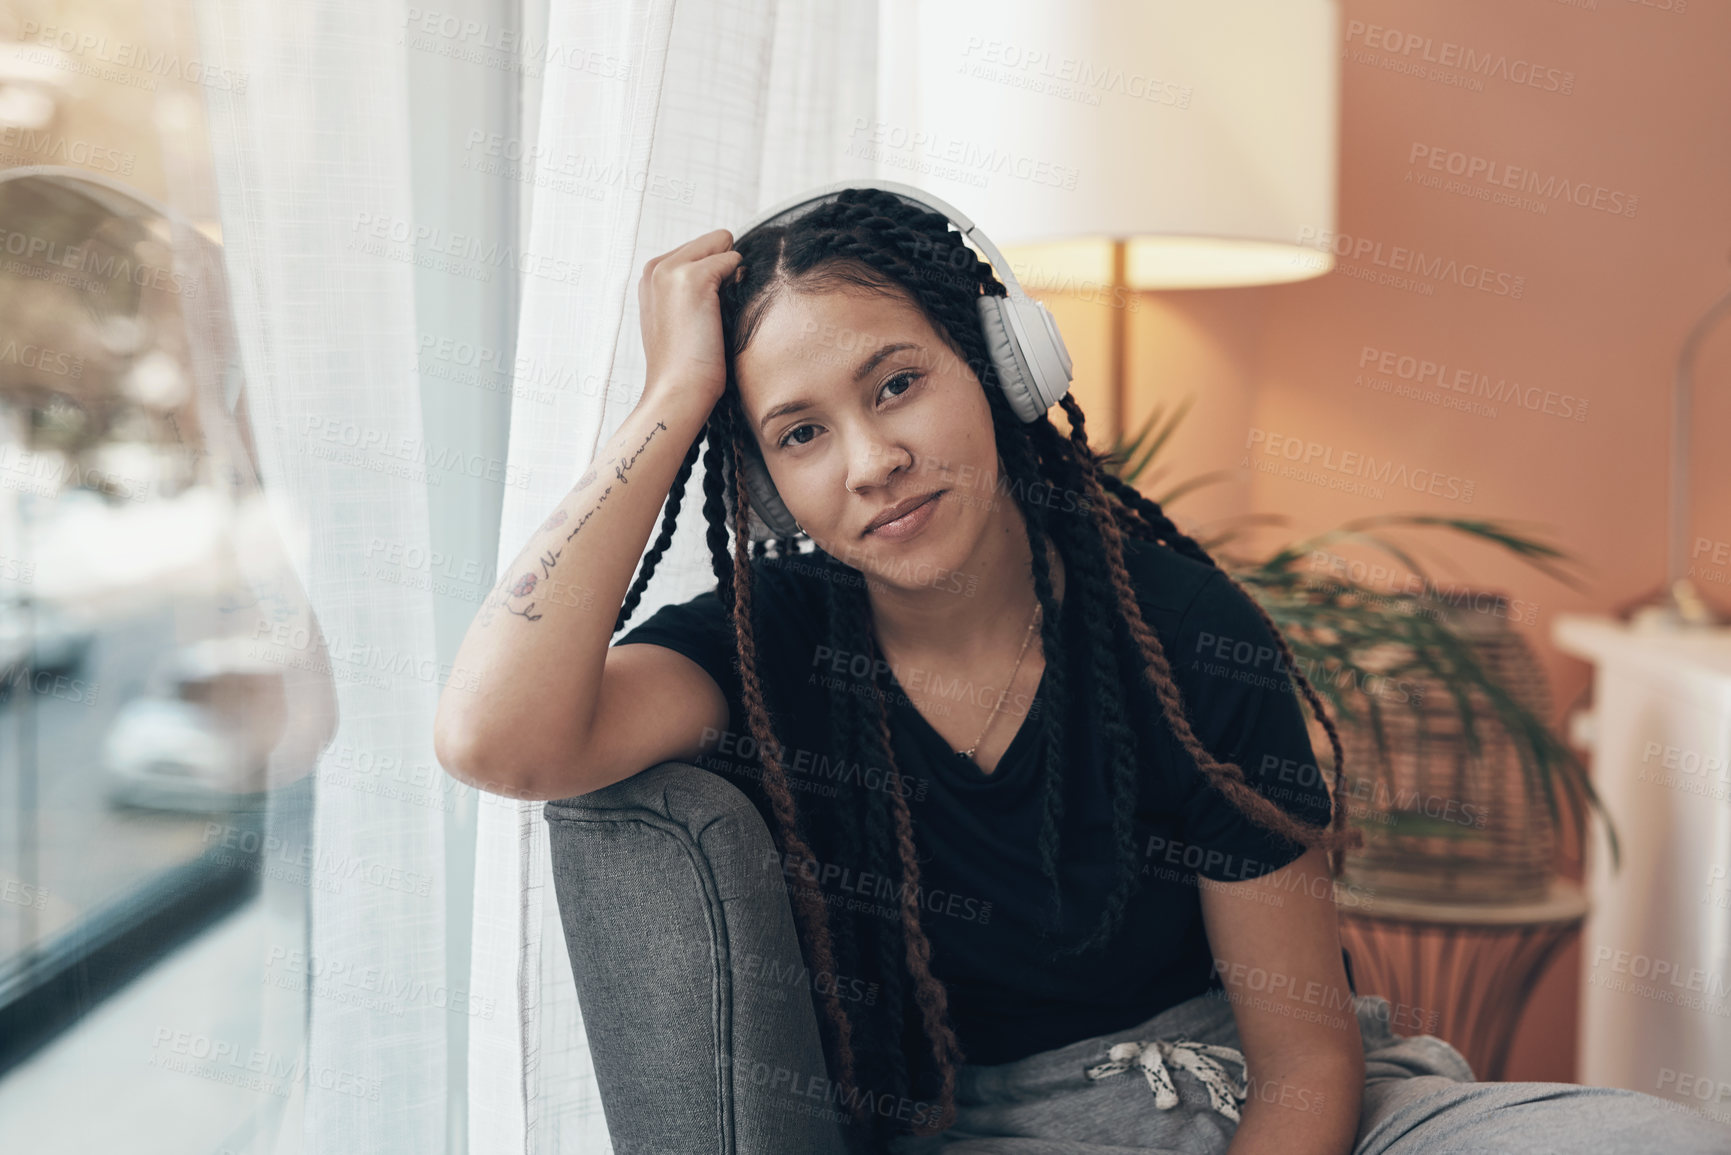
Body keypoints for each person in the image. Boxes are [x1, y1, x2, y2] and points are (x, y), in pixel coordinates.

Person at [435, 188, 1731, 1155]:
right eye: (802, 433)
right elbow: (498, 739)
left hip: (1255, 1100)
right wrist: (672, 400)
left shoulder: (1177, 625)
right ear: (769, 487)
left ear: (1003, 369)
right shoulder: (772, 645)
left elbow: (1305, 1064)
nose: (874, 458)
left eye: (898, 383)